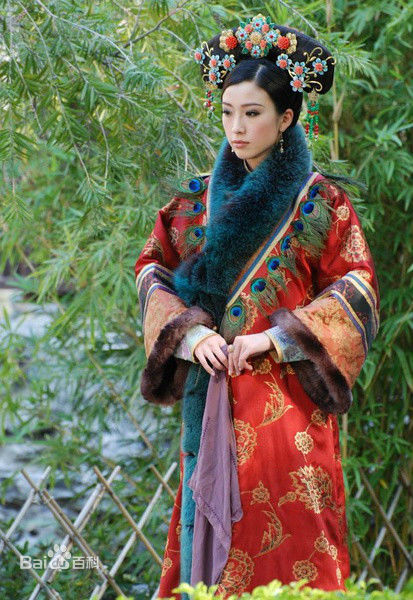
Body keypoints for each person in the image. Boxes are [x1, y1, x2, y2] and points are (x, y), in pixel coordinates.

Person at [134, 13, 380, 599]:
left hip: (289, 406)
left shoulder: (321, 202)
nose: (236, 128)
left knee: (293, 549)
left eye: (252, 113)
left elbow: (359, 289)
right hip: (211, 398)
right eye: (227, 113)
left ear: (286, 117)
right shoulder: (192, 201)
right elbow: (150, 271)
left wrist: (275, 337)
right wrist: (189, 334)